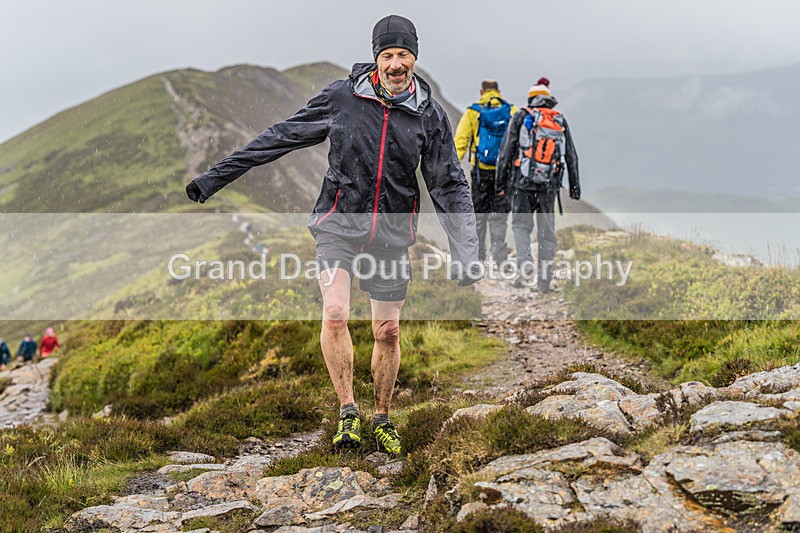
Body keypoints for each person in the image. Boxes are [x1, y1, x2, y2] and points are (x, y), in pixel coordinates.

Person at [186, 15, 479, 454]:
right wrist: (213, 179)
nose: (395, 64)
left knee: (387, 331)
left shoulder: (428, 115)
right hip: (338, 225)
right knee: (337, 312)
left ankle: (382, 416)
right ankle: (347, 411)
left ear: (414, 57)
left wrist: (465, 251)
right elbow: (281, 136)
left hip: (391, 233)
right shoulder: (343, 98)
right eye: (387, 55)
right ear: (376, 58)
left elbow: (449, 184)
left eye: (403, 54)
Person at [496, 78, 580, 293]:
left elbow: (506, 151)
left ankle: (525, 268)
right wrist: (574, 187)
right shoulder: (558, 119)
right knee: (546, 233)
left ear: (531, 99)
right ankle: (544, 282)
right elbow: (571, 154)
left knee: (520, 226)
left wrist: (500, 183)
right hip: (549, 186)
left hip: (522, 184)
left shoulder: (521, 116)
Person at [454, 80, 516, 263]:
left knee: (479, 214)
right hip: (504, 174)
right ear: (499, 91)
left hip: (480, 172)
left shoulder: (473, 112)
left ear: (481, 91)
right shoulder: (511, 112)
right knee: (499, 216)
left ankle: (478, 256)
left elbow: (461, 142)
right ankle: (499, 257)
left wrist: (451, 169)